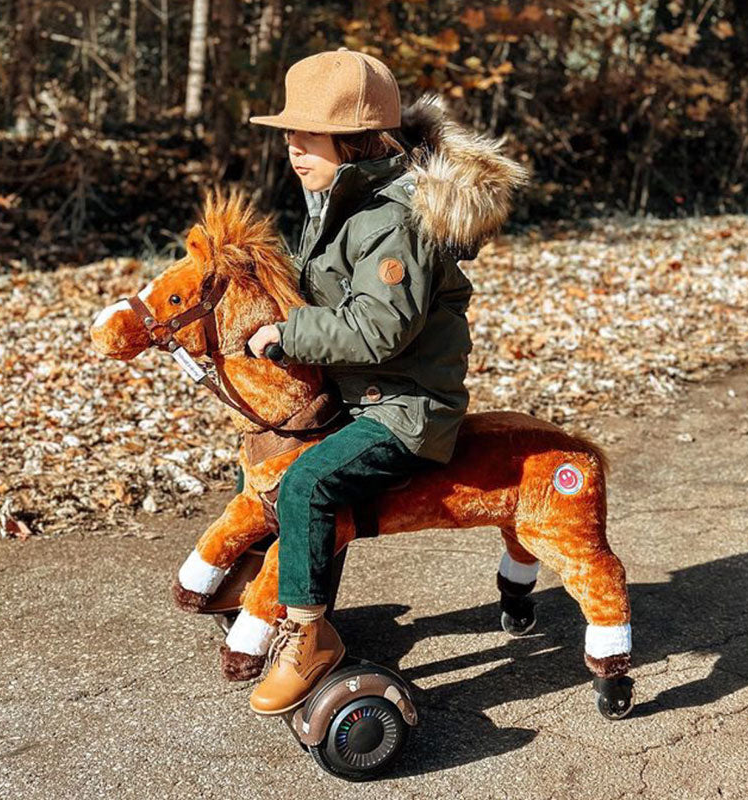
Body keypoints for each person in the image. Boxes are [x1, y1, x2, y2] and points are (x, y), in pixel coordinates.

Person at [244, 47, 525, 714]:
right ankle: (270, 586)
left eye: (307, 136)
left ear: (357, 142)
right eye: (290, 135)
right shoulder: (340, 200)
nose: (292, 149)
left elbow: (378, 329)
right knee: (265, 451)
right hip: (362, 392)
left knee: (308, 480)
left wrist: (290, 335)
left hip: (405, 409)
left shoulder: (394, 218)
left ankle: (310, 638)